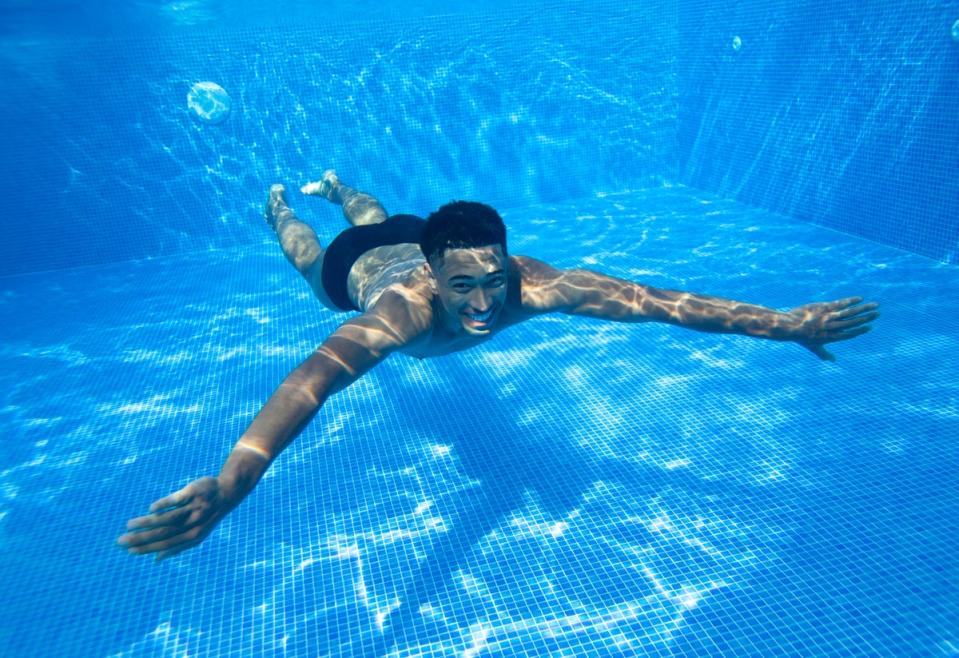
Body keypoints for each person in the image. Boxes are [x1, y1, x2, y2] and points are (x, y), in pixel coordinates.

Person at [117, 170, 878, 561]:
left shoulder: (531, 284)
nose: (483, 305)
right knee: (315, 259)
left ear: (506, 260)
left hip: (413, 233)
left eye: (493, 280)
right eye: (462, 288)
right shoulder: (399, 314)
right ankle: (282, 208)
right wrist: (234, 480)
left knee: (379, 211)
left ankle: (341, 184)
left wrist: (786, 325)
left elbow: (658, 303)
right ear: (432, 276)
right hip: (356, 272)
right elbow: (311, 380)